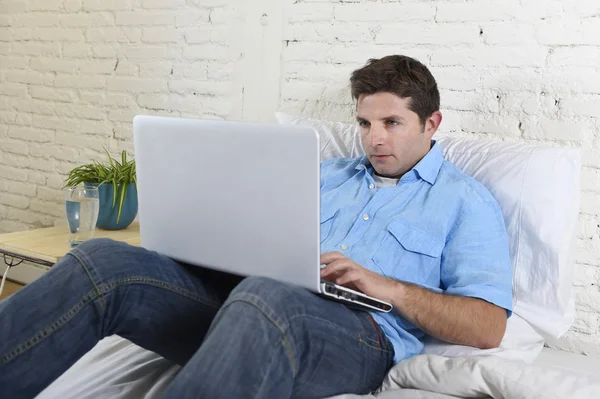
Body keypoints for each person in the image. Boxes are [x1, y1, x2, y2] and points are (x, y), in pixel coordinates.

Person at [0, 55, 513, 399]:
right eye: (364, 123)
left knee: (266, 294)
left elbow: (488, 326)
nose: (374, 139)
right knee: (103, 262)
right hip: (247, 302)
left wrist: (387, 286)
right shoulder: (322, 172)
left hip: (357, 336)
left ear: (432, 123)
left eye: (392, 123)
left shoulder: (465, 202)